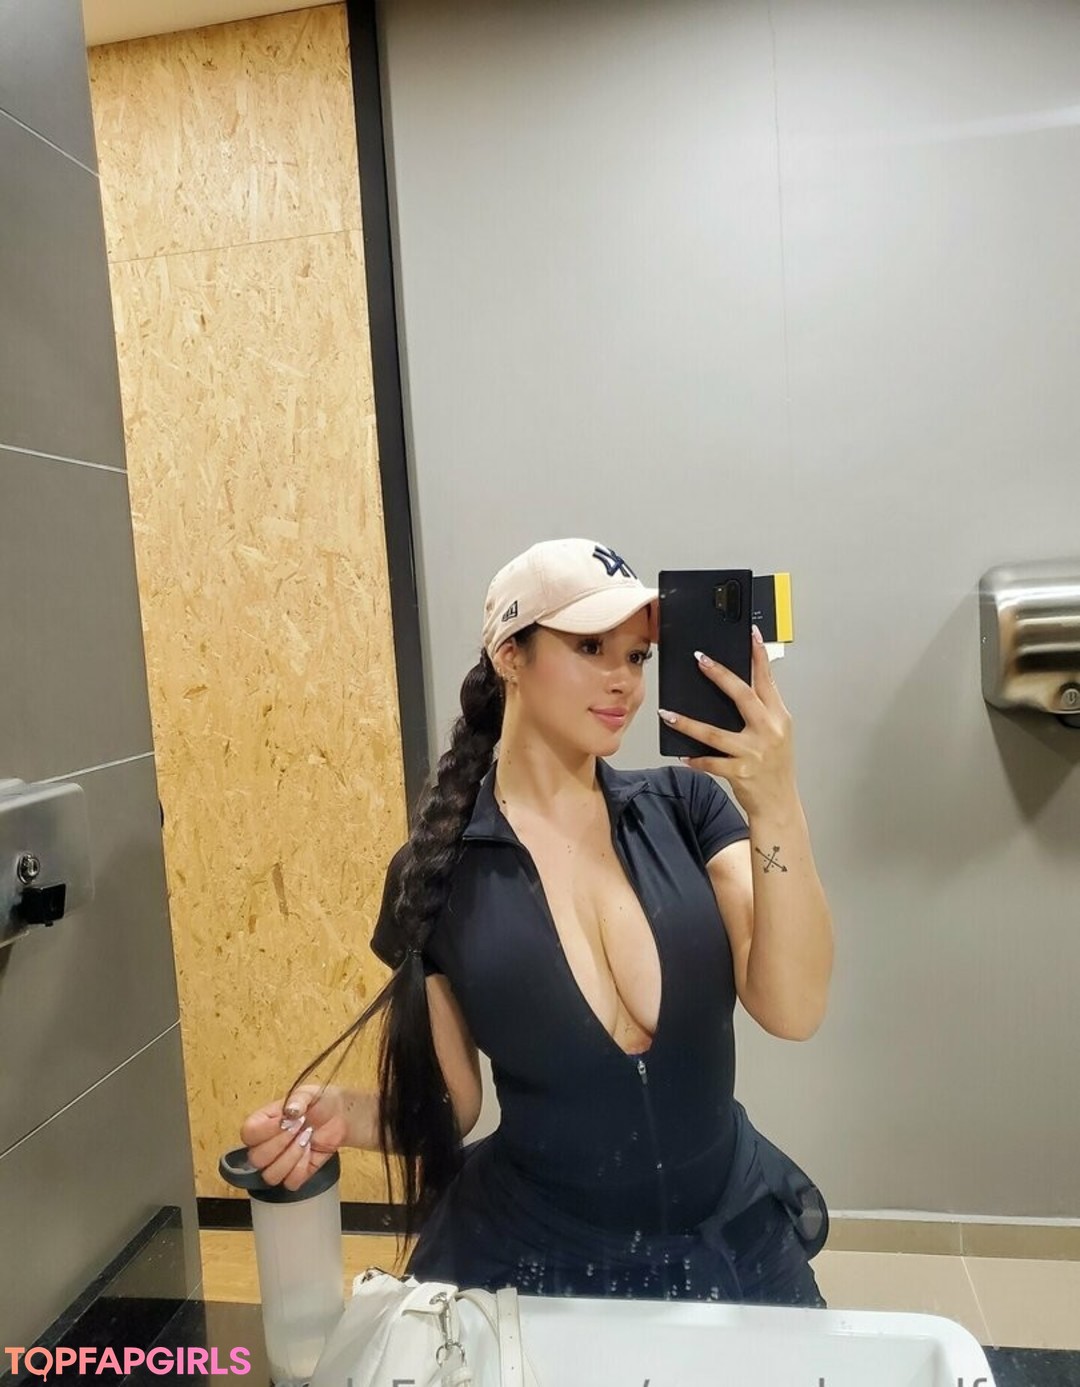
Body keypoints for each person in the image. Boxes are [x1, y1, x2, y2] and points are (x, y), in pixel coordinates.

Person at [241, 537, 835, 1306]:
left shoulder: (687, 810)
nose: (623, 680)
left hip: (733, 1242)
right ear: (510, 655)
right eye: (590, 647)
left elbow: (794, 1007)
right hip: (541, 1256)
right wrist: (344, 1116)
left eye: (636, 655)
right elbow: (454, 1102)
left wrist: (776, 801)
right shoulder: (437, 872)